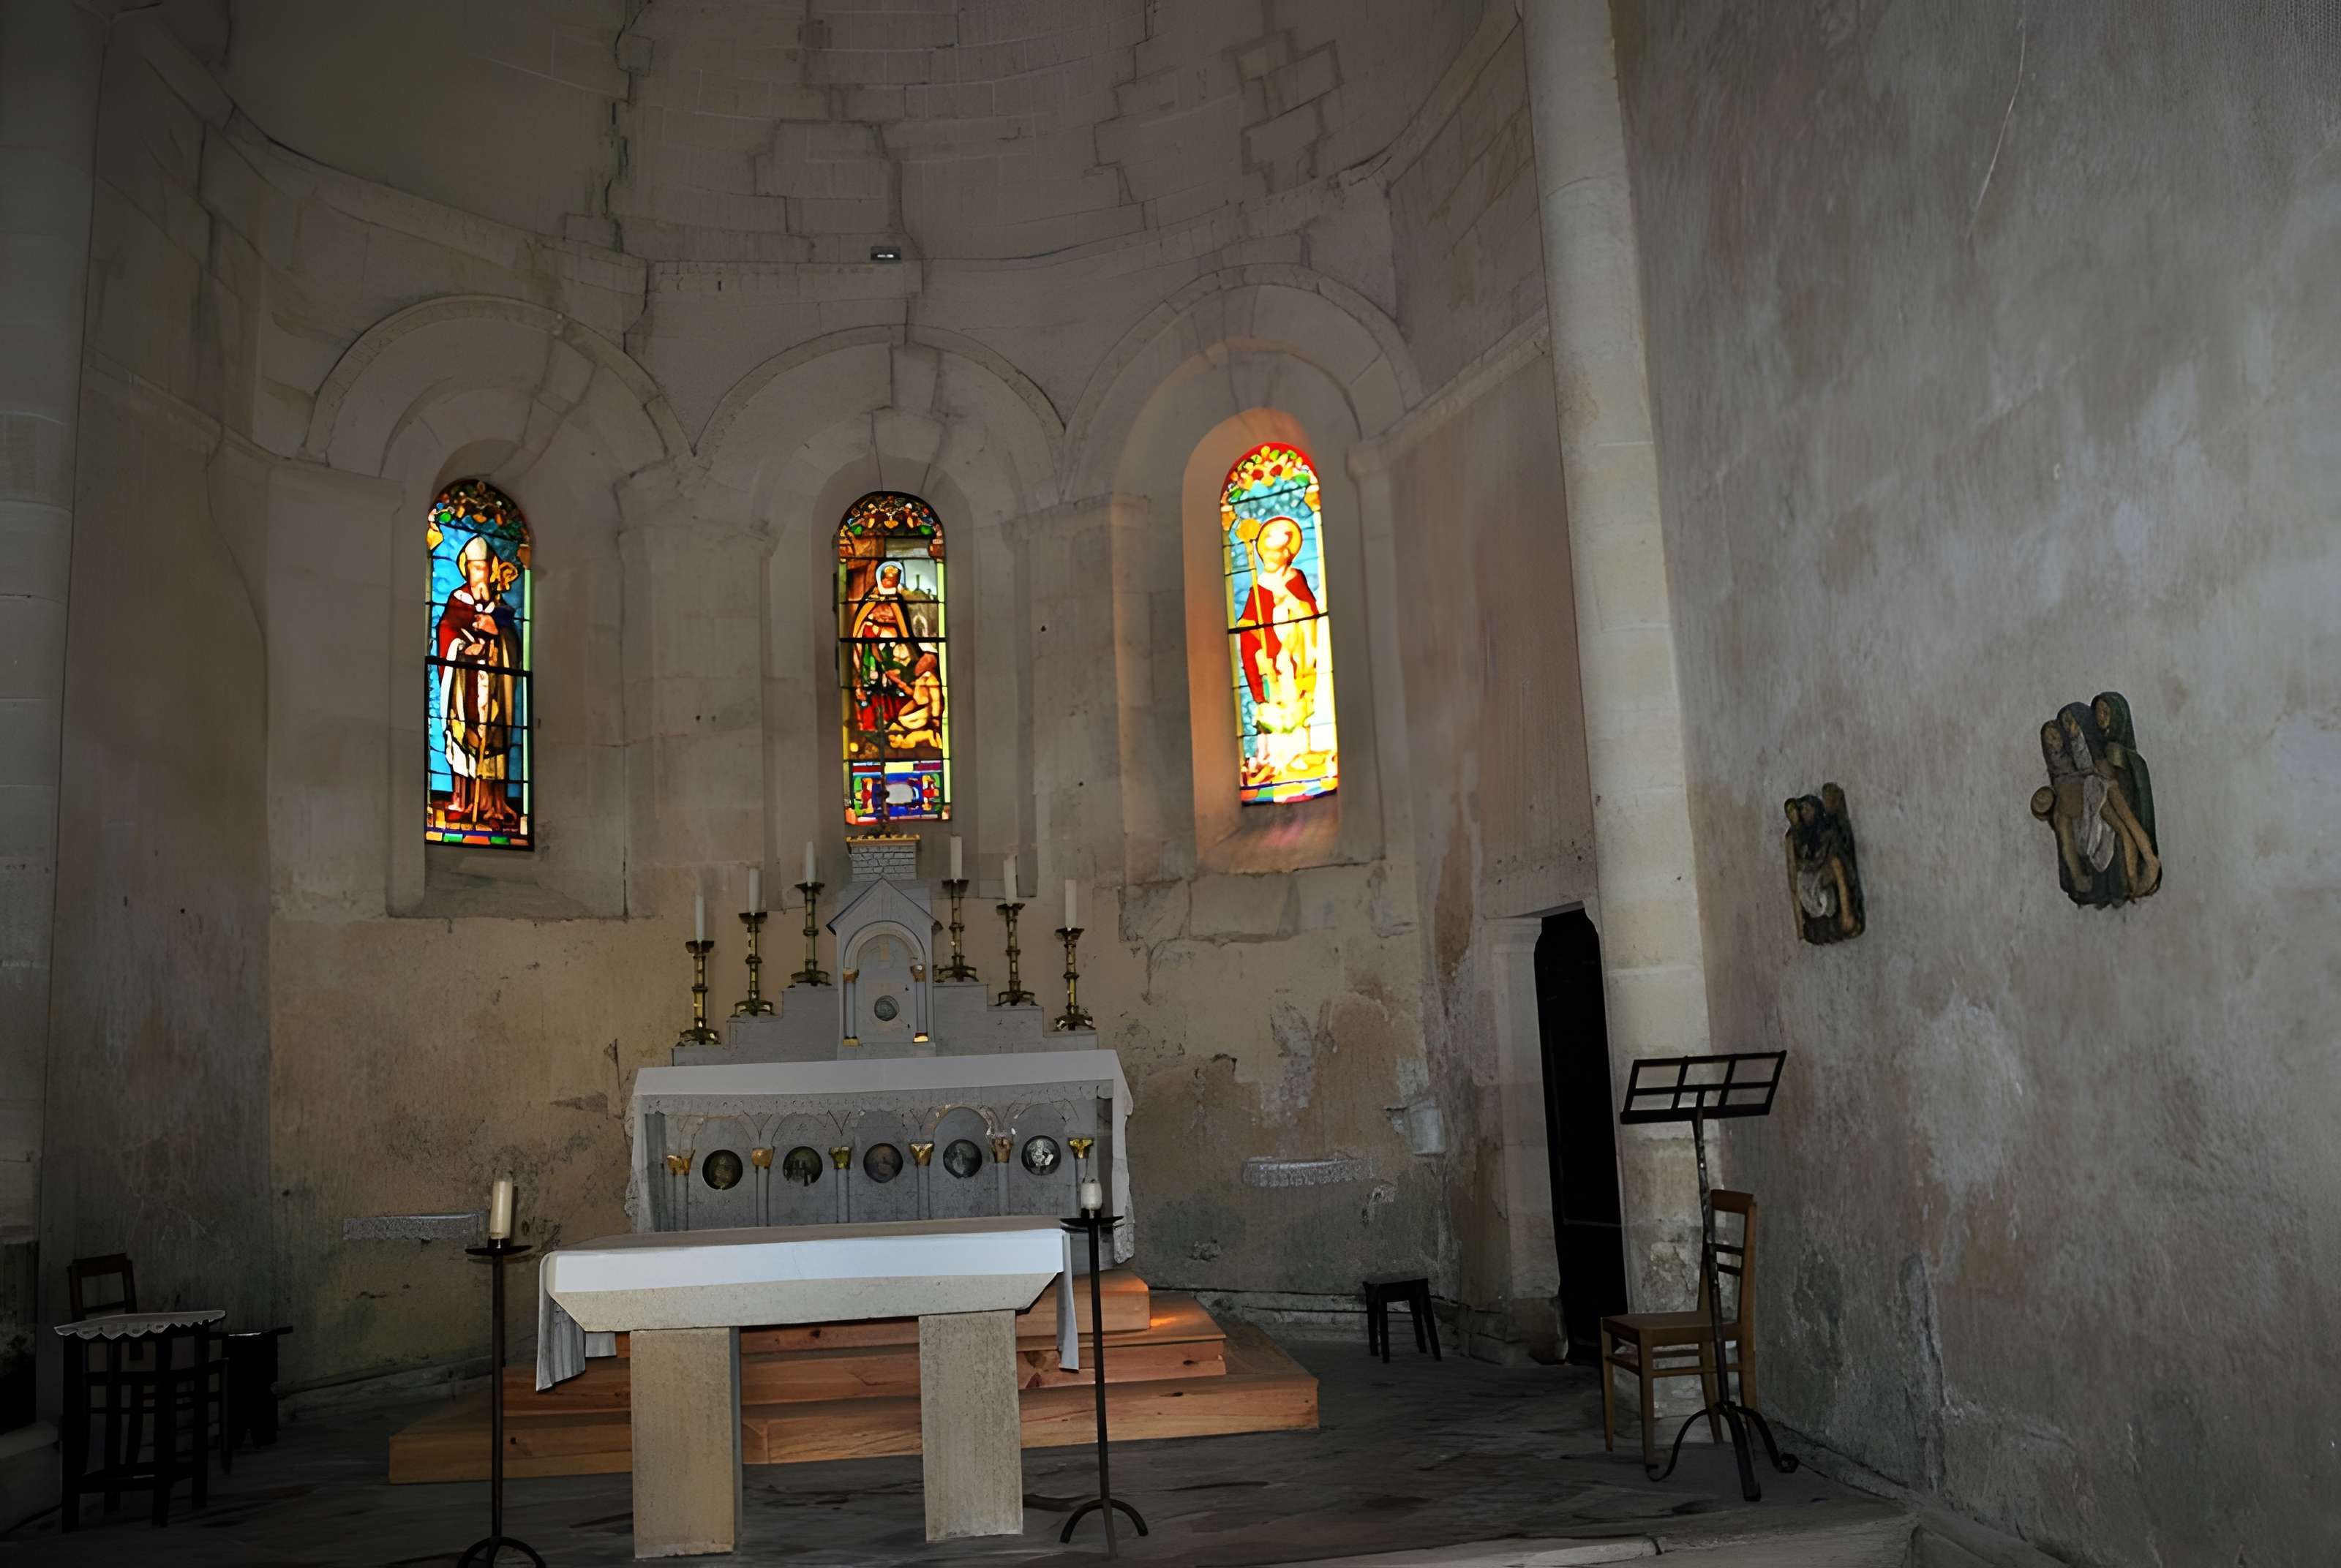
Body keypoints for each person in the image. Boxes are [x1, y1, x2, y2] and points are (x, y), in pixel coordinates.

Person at [435, 535, 523, 829]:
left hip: (495, 687)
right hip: (465, 684)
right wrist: (462, 648)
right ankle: (463, 800)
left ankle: (494, 806)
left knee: (495, 738)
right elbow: (447, 632)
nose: (478, 575)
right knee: (463, 735)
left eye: (483, 569)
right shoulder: (457, 601)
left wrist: (497, 631)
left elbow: (513, 644)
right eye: (473, 569)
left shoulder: (501, 608)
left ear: (491, 570)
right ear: (465, 570)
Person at [1234, 516, 1323, 781]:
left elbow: (1310, 613)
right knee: (1274, 704)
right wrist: (1251, 632)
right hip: (1269, 657)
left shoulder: (1296, 578)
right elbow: (1247, 624)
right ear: (1262, 552)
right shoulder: (1257, 586)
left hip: (1296, 653)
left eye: (1282, 551)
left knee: (1296, 699)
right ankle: (1272, 758)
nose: (1275, 556)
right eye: (1270, 551)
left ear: (1289, 554)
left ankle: (1298, 754)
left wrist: (1291, 606)